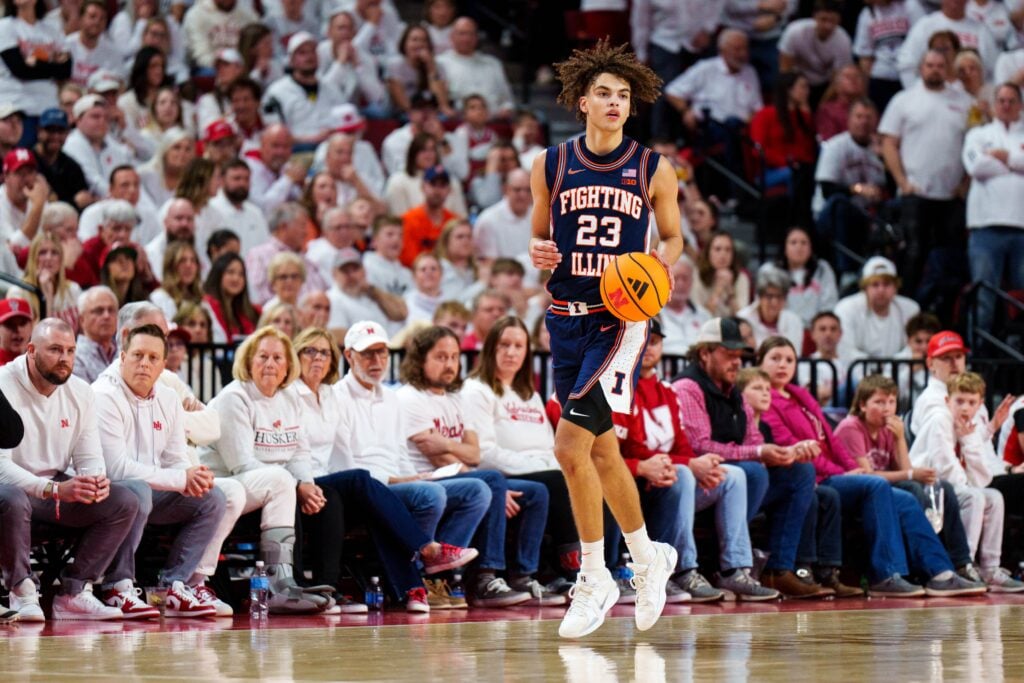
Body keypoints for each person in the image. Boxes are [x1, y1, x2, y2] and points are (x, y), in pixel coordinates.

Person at [527, 41, 683, 639]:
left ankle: (595, 576)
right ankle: (648, 558)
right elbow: (542, 244)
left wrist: (657, 270)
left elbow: (672, 239)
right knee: (601, 453)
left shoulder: (652, 167)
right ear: (582, 101)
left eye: (623, 95)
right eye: (604, 93)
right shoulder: (550, 165)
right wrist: (539, 252)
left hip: (620, 320)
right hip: (565, 317)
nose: (614, 102)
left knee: (569, 447)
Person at [757, 335, 986, 597]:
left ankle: (939, 573)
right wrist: (843, 472)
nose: (783, 365)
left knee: (905, 499)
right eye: (775, 359)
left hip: (835, 474)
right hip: (814, 477)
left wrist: (852, 468)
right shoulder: (768, 400)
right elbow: (792, 446)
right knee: (877, 485)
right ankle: (886, 575)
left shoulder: (799, 395)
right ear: (760, 362)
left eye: (789, 359)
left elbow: (830, 440)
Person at [287, 327, 479, 612]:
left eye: (324, 352)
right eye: (310, 351)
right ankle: (426, 553)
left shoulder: (331, 395)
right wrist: (395, 479)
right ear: (349, 357)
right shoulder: (312, 395)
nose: (376, 360)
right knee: (389, 488)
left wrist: (410, 474)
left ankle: (414, 585)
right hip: (321, 478)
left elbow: (400, 451)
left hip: (351, 483)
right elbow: (329, 456)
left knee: (479, 486)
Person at [613, 318, 779, 602]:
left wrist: (697, 465)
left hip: (670, 476)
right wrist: (688, 465)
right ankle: (683, 570)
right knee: (686, 474)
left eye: (654, 341)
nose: (648, 347)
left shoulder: (666, 391)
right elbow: (627, 451)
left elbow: (682, 445)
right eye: (642, 340)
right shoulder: (620, 387)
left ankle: (734, 569)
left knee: (732, 477)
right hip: (637, 483)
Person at [673, 318, 829, 599]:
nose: (736, 362)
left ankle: (778, 569)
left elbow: (755, 441)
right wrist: (759, 454)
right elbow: (699, 446)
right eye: (728, 354)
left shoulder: (733, 391)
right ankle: (730, 566)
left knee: (800, 472)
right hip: (695, 478)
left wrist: (784, 454)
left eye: (739, 355)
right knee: (750, 471)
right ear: (705, 353)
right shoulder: (688, 387)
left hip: (728, 478)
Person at [0, 319, 140, 621]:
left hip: (56, 488)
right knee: (11, 498)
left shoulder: (81, 392)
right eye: (54, 350)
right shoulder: (3, 384)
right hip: (13, 490)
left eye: (70, 351)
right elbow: (0, 468)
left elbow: (90, 457)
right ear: (31, 350)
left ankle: (74, 592)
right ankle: (21, 591)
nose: (64, 358)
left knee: (124, 501)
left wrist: (94, 480)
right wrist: (54, 490)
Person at [396, 325, 538, 608]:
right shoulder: (410, 397)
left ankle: (525, 574)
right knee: (490, 483)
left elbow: (474, 452)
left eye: (453, 357)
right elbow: (437, 458)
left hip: (451, 477)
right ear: (420, 359)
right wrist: (467, 463)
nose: (449, 364)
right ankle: (484, 577)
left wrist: (448, 445)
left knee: (535, 492)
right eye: (440, 357)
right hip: (420, 478)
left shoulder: (456, 397)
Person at [92, 324, 226, 618]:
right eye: (138, 355)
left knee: (213, 496)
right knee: (136, 491)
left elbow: (175, 456)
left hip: (150, 493)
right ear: (123, 357)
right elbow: (117, 468)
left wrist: (193, 476)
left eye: (153, 358)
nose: (145, 363)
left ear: (163, 365)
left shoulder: (168, 398)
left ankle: (173, 585)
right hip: (104, 495)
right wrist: (181, 478)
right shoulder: (104, 395)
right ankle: (117, 586)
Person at [198, 326, 332, 613]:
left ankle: (283, 583)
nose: (269, 364)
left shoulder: (290, 398)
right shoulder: (234, 398)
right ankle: (277, 584)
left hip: (263, 487)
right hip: (221, 484)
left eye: (277, 358)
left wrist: (306, 483)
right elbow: (241, 463)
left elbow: (299, 450)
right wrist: (295, 485)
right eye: (262, 357)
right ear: (249, 362)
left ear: (287, 368)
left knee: (306, 487)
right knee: (282, 481)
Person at [835, 374, 990, 586]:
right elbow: (867, 475)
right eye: (879, 402)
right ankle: (923, 568)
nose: (887, 408)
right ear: (862, 404)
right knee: (913, 488)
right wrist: (910, 475)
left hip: (881, 486)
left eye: (891, 402)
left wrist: (899, 438)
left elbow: (905, 468)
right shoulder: (850, 427)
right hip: (856, 489)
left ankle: (961, 562)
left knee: (943, 487)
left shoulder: (889, 429)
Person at [461, 317, 575, 603]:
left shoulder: (530, 394)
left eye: (518, 346)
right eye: (504, 345)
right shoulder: (477, 389)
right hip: (498, 474)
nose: (511, 352)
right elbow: (484, 453)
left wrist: (549, 464)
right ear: (490, 349)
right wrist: (541, 466)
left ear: (527, 352)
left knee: (587, 479)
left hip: (539, 473)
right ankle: (572, 573)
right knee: (559, 482)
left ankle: (607, 567)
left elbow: (551, 446)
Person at [880, 49, 971, 307]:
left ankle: (942, 310)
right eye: (930, 64)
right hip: (915, 193)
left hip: (950, 196)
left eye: (940, 65)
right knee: (913, 254)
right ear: (921, 68)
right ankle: (906, 308)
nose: (935, 69)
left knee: (948, 259)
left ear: (948, 69)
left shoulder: (964, 102)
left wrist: (964, 185)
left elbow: (973, 144)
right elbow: (888, 143)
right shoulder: (904, 100)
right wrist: (902, 181)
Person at [961, 82, 1024, 343]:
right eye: (1001, 100)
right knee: (984, 297)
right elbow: (976, 167)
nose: (1006, 105)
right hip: (985, 226)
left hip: (1021, 228)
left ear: (1020, 105)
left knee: (1022, 298)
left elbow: (989, 164)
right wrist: (1016, 163)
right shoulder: (977, 135)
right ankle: (977, 360)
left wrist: (1004, 158)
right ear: (995, 104)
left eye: (1011, 100)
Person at [813, 99, 887, 278]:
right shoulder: (836, 146)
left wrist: (886, 159)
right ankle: (847, 272)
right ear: (849, 119)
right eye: (859, 116)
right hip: (828, 216)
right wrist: (858, 189)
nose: (863, 121)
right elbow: (827, 190)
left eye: (868, 117)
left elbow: (886, 188)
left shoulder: (880, 150)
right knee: (840, 204)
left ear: (875, 121)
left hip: (865, 215)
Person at [835, 256, 920, 360]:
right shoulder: (846, 308)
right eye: (875, 285)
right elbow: (846, 350)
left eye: (887, 284)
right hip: (856, 373)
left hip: (900, 373)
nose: (881, 290)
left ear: (896, 287)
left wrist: (890, 372)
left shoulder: (911, 309)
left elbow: (913, 348)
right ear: (865, 288)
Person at [245, 202, 329, 307]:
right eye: (302, 226)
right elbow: (258, 296)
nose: (306, 232)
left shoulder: (307, 260)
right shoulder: (259, 255)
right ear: (283, 227)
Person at [435, 16, 515, 116]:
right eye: (462, 34)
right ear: (451, 36)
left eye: (471, 34)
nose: (466, 38)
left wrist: (506, 110)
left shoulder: (493, 64)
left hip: (494, 121)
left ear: (477, 37)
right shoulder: (440, 63)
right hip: (458, 122)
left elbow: (508, 101)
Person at [778, 0, 852, 105]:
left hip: (824, 84)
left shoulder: (843, 41)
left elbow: (836, 80)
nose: (828, 26)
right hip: (796, 79)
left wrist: (821, 105)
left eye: (832, 21)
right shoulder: (795, 32)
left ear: (839, 20)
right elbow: (785, 69)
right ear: (814, 17)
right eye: (823, 19)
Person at [6, 231, 82, 329]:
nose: (48, 258)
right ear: (33, 258)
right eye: (42, 252)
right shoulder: (19, 293)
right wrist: (47, 298)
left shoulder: (73, 290)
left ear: (61, 259)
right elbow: (32, 338)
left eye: (54, 253)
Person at [327, 247, 408, 335]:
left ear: (364, 271)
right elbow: (339, 338)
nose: (351, 275)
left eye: (355, 269)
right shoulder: (332, 299)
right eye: (345, 271)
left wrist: (373, 291)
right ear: (334, 274)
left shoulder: (370, 293)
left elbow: (401, 314)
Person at [771, 226, 838, 328]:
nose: (799, 247)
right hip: (781, 329)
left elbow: (829, 303)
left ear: (811, 247)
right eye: (793, 242)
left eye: (804, 243)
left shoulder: (823, 269)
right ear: (784, 247)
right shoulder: (771, 271)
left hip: (815, 331)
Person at [399, 164, 459, 268]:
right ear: (423, 187)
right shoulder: (408, 220)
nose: (437, 190)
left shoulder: (454, 221)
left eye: (442, 185)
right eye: (433, 184)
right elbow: (409, 260)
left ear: (449, 190)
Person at [32, 107, 93, 210]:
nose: (56, 136)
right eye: (51, 130)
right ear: (39, 131)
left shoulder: (71, 167)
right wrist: (73, 203)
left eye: (61, 131)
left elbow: (84, 199)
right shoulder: (27, 162)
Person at [473, 169, 533, 265]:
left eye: (528, 190)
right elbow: (489, 264)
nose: (523, 195)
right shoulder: (488, 220)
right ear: (505, 189)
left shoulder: (541, 216)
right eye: (517, 190)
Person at [738, 266, 804, 351]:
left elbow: (795, 354)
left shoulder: (794, 321)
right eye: (769, 296)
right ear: (759, 297)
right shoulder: (743, 318)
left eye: (779, 296)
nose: (774, 302)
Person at [202, 252, 260, 343]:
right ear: (218, 274)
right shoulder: (206, 306)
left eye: (241, 274)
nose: (236, 278)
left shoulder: (252, 312)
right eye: (230, 272)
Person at [690, 231, 752, 317]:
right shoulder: (695, 275)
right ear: (708, 252)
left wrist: (730, 292)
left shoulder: (742, 278)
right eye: (717, 249)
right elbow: (698, 318)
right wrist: (718, 290)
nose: (723, 255)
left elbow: (742, 318)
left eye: (728, 250)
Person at [659, 256, 710, 356]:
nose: (681, 284)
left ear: (692, 281)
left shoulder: (704, 316)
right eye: (676, 278)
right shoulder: (653, 316)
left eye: (685, 278)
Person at [72, 285, 118, 382]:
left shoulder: (125, 351)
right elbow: (85, 396)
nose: (106, 316)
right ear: (82, 320)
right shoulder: (74, 357)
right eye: (98, 311)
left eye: (111, 310)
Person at [149, 240, 202, 322]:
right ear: (170, 266)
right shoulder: (159, 298)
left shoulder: (201, 300)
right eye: (182, 260)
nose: (189, 265)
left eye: (193, 260)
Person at [0, 298, 33, 366]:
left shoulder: (38, 363)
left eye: (22, 323)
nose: (18, 329)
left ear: (31, 327)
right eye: (9, 324)